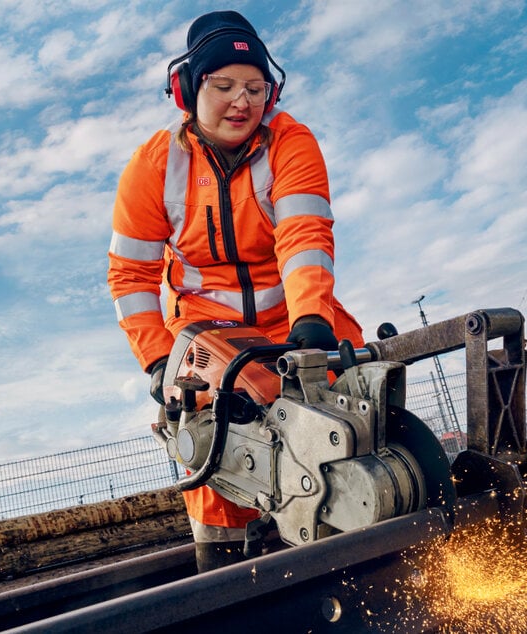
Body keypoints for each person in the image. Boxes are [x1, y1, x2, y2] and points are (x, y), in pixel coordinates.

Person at [107, 10, 364, 573]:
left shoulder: (291, 143)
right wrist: (156, 360)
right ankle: (225, 570)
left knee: (350, 394)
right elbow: (131, 276)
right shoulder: (155, 165)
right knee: (212, 433)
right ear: (188, 90)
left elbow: (304, 236)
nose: (240, 102)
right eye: (222, 86)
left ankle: (361, 531)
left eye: (253, 88)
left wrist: (312, 326)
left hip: (294, 316)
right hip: (204, 331)